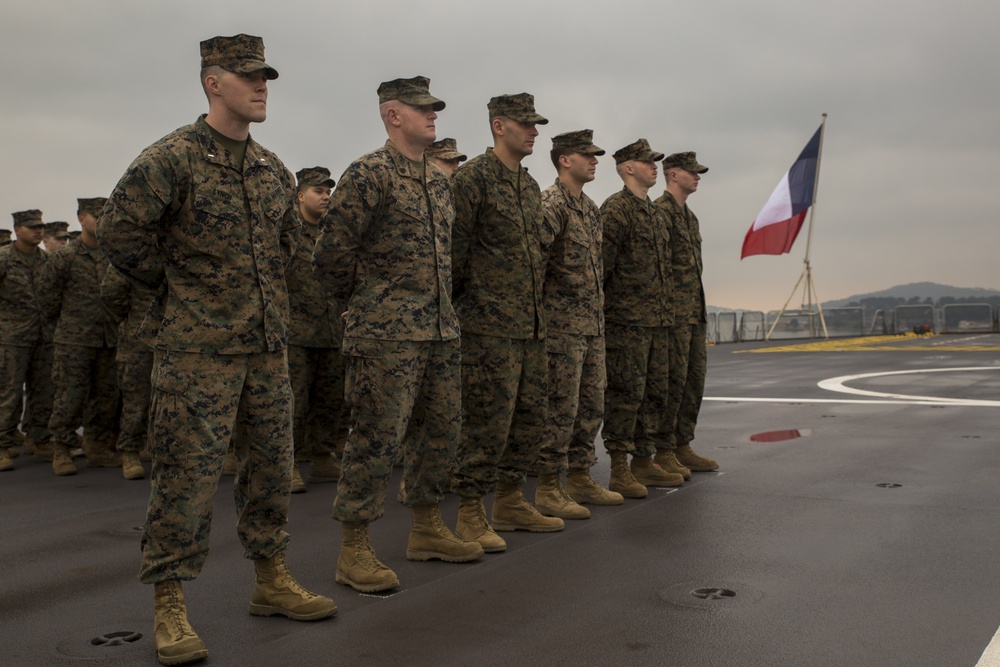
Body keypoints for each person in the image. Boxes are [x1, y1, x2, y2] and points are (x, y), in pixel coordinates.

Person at [98, 34, 336, 666]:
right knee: (187, 477)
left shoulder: (271, 167)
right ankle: (171, 604)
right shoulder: (170, 159)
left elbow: (287, 247)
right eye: (248, 76)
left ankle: (271, 579)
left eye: (266, 77)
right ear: (213, 82)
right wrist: (185, 289)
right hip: (196, 350)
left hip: (266, 348)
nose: (262, 87)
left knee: (269, 469)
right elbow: (121, 236)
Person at [314, 75, 482, 594]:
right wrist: (362, 308)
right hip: (385, 336)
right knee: (374, 440)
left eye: (434, 107)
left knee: (441, 433)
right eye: (422, 108)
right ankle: (355, 548)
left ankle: (428, 529)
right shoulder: (368, 174)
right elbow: (330, 257)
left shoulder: (437, 180)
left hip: (438, 329)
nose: (433, 115)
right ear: (393, 115)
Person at [450, 93, 564, 552]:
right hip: (487, 327)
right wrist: (468, 308)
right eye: (526, 124)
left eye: (536, 124)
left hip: (530, 325)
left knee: (529, 418)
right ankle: (469, 509)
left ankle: (511, 499)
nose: (534, 131)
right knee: (485, 422)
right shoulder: (473, 179)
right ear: (499, 126)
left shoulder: (530, 186)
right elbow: (455, 251)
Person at [534, 130, 623, 516]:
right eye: (586, 155)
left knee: (591, 405)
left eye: (595, 154)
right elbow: (535, 264)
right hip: (560, 328)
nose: (594, 160)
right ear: (564, 160)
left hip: (591, 325)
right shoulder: (550, 204)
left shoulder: (589, 208)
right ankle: (548, 486)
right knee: (560, 407)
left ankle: (581, 478)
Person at [600, 139, 684, 498]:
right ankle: (619, 466)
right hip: (626, 324)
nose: (655, 168)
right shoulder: (615, 210)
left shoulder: (656, 214)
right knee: (625, 394)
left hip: (658, 322)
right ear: (628, 168)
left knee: (654, 393)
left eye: (655, 163)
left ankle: (644, 460)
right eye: (648, 162)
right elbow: (601, 269)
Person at [42, 197, 120, 475]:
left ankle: (97, 448)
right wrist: (64, 330)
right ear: (81, 219)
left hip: (108, 338)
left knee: (105, 397)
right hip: (74, 340)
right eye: (97, 216)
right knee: (69, 397)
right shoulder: (65, 257)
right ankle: (61, 450)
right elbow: (48, 301)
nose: (102, 221)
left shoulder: (114, 255)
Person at [653, 152, 719, 476]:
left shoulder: (690, 218)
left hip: (694, 314)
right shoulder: (659, 213)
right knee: (671, 384)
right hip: (672, 316)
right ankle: (663, 450)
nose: (698, 177)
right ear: (673, 174)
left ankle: (682, 444)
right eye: (692, 172)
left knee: (694, 383)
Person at [285, 166, 344, 491]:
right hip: (296, 333)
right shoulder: (289, 232)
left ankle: (322, 458)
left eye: (327, 191)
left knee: (329, 399)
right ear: (300, 195)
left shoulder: (331, 233)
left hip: (330, 331)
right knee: (293, 402)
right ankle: (288, 463)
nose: (325, 197)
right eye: (318, 191)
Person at [0, 211, 54, 471]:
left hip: (43, 336)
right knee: (9, 392)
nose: (38, 231)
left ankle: (39, 440)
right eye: (32, 227)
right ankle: (2, 444)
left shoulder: (47, 260)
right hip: (12, 337)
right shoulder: (3, 259)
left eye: (40, 227)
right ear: (17, 229)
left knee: (43, 390)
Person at [100, 265, 156, 480]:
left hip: (174, 336)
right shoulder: (135, 251)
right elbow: (111, 291)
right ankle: (130, 452)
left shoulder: (175, 247)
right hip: (138, 338)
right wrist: (130, 316)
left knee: (176, 398)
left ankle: (160, 449)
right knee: (137, 397)